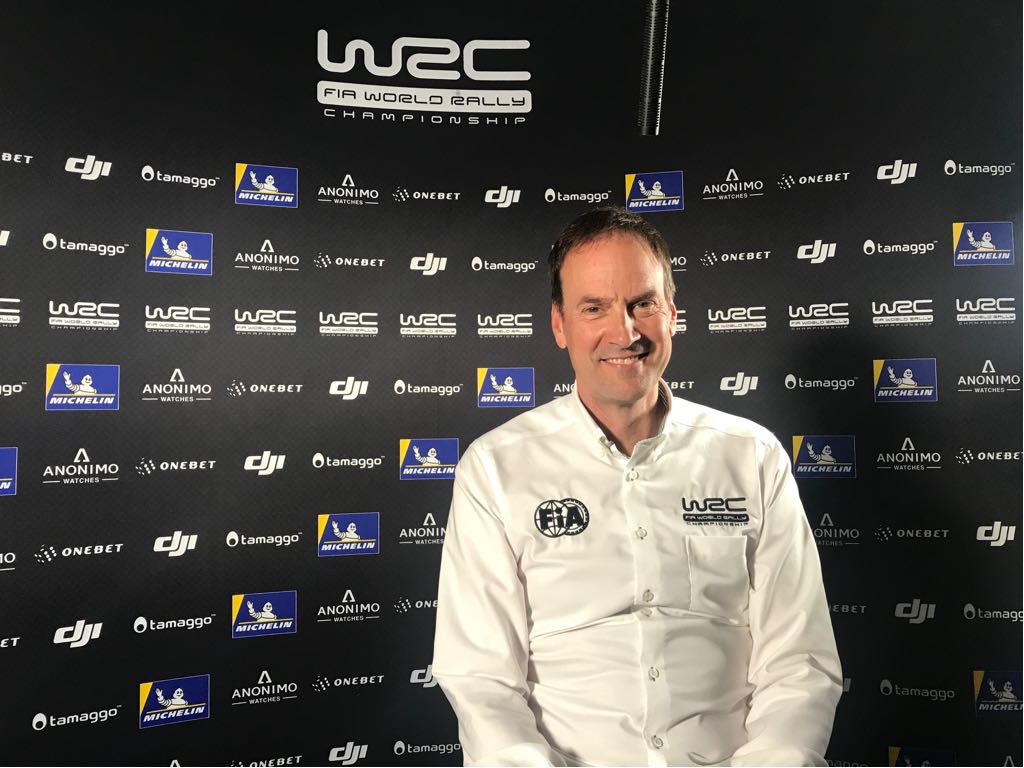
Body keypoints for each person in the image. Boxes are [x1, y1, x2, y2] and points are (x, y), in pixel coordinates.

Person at [433, 207, 842, 767]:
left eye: (642, 304)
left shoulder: (753, 456)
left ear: (671, 313)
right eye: (594, 308)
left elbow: (800, 663)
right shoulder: (495, 468)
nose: (624, 333)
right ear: (559, 325)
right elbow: (481, 680)